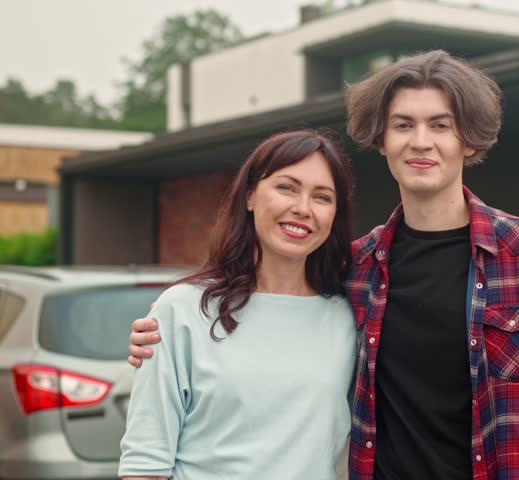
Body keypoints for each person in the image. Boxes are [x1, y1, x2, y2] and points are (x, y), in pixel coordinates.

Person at [129, 50, 519, 479]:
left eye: (441, 125)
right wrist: (160, 340)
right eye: (403, 125)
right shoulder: (353, 271)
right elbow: (266, 330)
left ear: (468, 140)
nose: (421, 141)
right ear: (381, 140)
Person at [119, 129, 356, 480]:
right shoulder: (182, 310)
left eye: (322, 197)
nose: (302, 208)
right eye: (286, 187)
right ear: (249, 196)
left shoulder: (348, 317)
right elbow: (145, 463)